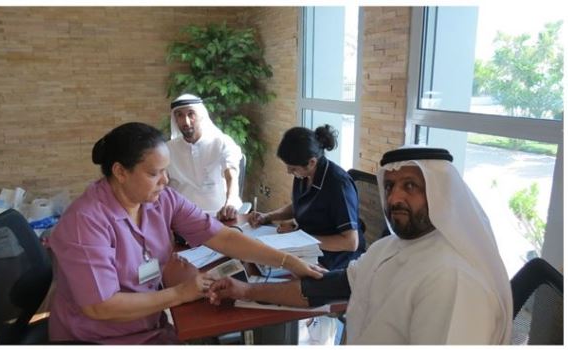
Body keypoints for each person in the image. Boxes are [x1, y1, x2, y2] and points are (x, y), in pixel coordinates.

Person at [48, 122, 323, 344]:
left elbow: (222, 236)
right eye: (155, 173)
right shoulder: (86, 222)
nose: (165, 181)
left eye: (166, 171)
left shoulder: (161, 200)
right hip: (97, 338)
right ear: (120, 171)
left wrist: (289, 261)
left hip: (148, 326)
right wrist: (180, 293)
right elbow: (101, 307)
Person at [208, 146, 513, 345]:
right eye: (390, 186)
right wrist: (246, 292)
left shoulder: (453, 280)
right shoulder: (388, 249)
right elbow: (324, 286)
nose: (394, 198)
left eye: (410, 186)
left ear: (441, 193)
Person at [249, 125, 365, 271]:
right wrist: (267, 216)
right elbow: (300, 205)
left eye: (292, 168)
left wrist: (299, 238)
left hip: (335, 260)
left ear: (311, 162)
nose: (289, 172)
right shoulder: (304, 174)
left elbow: (350, 242)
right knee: (260, 259)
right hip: (307, 249)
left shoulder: (338, 185)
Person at [166, 94, 243, 221]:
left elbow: (231, 175)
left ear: (201, 114)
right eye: (180, 115)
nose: (186, 122)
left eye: (191, 114)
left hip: (221, 215)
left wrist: (231, 201)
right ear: (175, 119)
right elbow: (161, 185)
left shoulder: (221, 142)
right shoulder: (167, 149)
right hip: (182, 218)